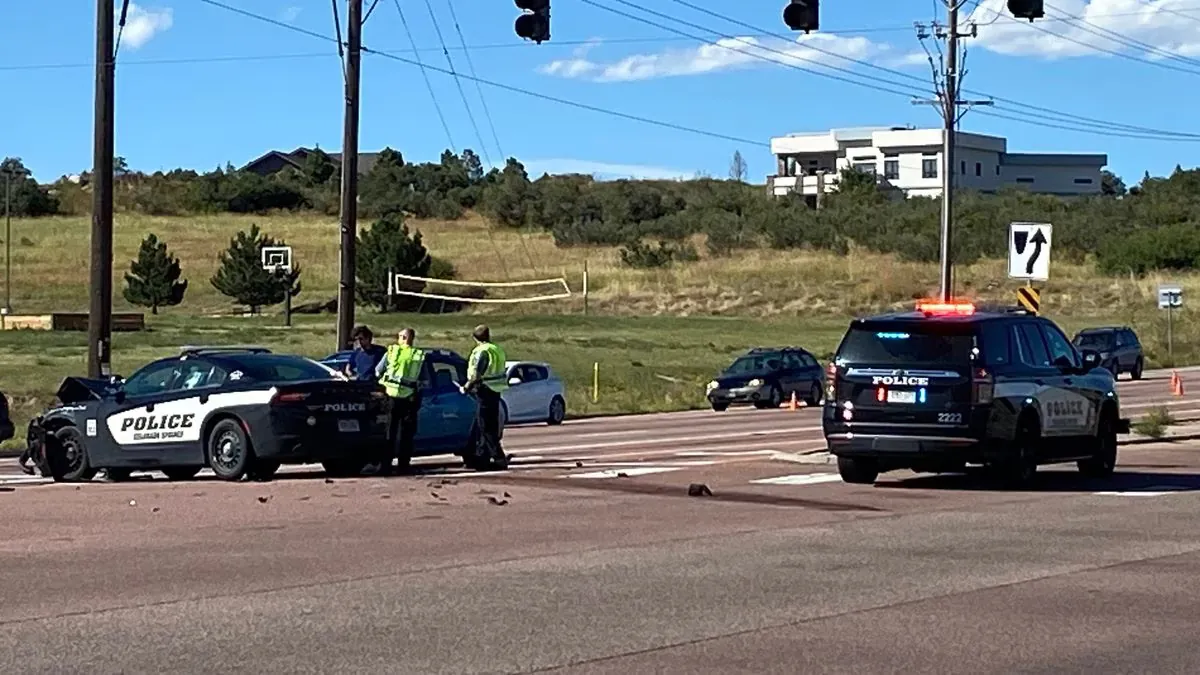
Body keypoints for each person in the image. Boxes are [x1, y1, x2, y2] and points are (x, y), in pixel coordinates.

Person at [376, 328, 425, 475]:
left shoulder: (392, 352)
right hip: (408, 398)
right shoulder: (418, 355)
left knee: (389, 433)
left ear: (404, 338)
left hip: (390, 397)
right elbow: (423, 379)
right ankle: (404, 465)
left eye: (399, 336)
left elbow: (378, 371)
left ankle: (386, 465)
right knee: (406, 434)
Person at [462, 324, 509, 468]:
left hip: (485, 390)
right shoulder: (496, 349)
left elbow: (477, 373)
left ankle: (498, 458)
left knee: (485, 426)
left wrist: (467, 387)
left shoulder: (482, 351)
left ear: (474, 338)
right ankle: (482, 457)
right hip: (496, 390)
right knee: (487, 426)